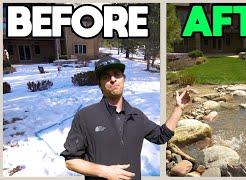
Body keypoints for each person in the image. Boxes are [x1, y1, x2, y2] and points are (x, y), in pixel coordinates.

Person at [60, 56, 189, 180]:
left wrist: (178, 109)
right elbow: (71, 161)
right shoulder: (85, 116)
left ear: (124, 79)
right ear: (100, 84)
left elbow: (162, 136)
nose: (112, 79)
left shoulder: (137, 116)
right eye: (106, 76)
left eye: (117, 74)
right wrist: (104, 171)